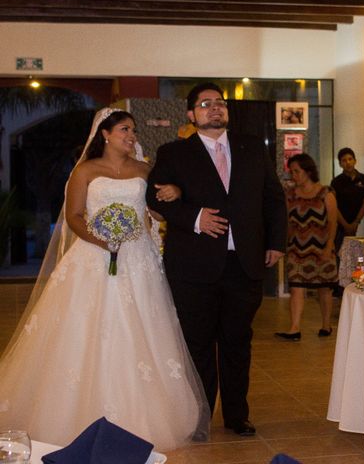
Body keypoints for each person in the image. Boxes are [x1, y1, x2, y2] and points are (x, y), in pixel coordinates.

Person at [0, 108, 209, 451]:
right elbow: (73, 216)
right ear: (106, 134)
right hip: (93, 259)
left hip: (138, 261)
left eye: (134, 130)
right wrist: (104, 240)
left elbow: (156, 212)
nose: (132, 136)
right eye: (126, 129)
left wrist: (172, 192)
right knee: (86, 330)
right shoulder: (85, 170)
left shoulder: (145, 170)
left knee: (141, 330)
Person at [146, 82, 287, 437]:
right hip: (194, 267)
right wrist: (195, 218)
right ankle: (200, 417)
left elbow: (273, 199)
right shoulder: (174, 153)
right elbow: (156, 198)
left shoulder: (252, 148)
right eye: (205, 104)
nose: (215, 108)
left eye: (220, 103)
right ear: (192, 115)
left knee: (238, 341)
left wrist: (276, 242)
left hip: (245, 263)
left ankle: (238, 414)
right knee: (198, 344)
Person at [275, 153, 338, 341]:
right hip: (296, 249)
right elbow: (286, 221)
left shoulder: (326, 193)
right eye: (291, 172)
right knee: (296, 286)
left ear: (308, 171)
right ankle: (294, 328)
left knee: (324, 288)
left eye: (297, 171)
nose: (294, 176)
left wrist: (328, 247)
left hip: (322, 248)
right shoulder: (290, 195)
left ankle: (326, 325)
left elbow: (333, 223)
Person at [330, 147, 364, 295]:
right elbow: (333, 205)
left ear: (355, 160)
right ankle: (339, 288)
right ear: (340, 164)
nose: (347, 163)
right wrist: (346, 225)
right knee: (339, 253)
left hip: (356, 224)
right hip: (340, 225)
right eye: (344, 160)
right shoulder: (336, 182)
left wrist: (356, 222)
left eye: (350, 159)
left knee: (356, 254)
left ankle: (354, 284)